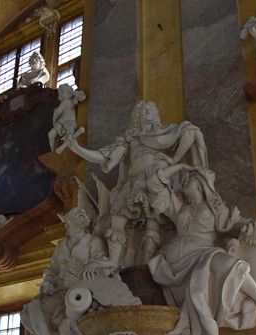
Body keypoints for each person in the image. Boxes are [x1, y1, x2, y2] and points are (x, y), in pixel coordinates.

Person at [146, 164, 256, 335]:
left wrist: (251, 225)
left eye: (188, 181)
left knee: (232, 265)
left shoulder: (215, 210)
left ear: (199, 184)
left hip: (203, 253)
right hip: (174, 259)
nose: (183, 184)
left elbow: (238, 224)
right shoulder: (179, 208)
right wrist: (180, 166)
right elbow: (154, 184)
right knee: (218, 264)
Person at [67, 101, 208, 265]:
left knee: (153, 219)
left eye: (150, 110)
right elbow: (105, 156)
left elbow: (190, 132)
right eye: (142, 111)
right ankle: (113, 261)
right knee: (118, 218)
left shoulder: (163, 133)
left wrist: (174, 160)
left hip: (158, 178)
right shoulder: (130, 139)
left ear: (155, 115)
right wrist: (77, 149)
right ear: (136, 116)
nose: (146, 113)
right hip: (134, 183)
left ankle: (148, 262)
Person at [21, 207, 110, 335]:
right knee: (32, 309)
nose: (67, 227)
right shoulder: (62, 245)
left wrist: (91, 267)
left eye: (67, 224)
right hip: (58, 290)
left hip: (81, 290)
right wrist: (48, 282)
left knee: (59, 318)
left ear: (70, 223)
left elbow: (105, 264)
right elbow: (52, 269)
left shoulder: (93, 241)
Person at [48, 84, 86, 152]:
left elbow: (58, 112)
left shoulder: (66, 102)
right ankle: (54, 151)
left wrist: (54, 120)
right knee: (51, 134)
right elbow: (77, 100)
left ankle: (53, 150)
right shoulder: (71, 101)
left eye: (61, 92)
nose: (60, 95)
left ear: (68, 92)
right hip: (63, 124)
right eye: (59, 93)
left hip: (68, 123)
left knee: (51, 134)